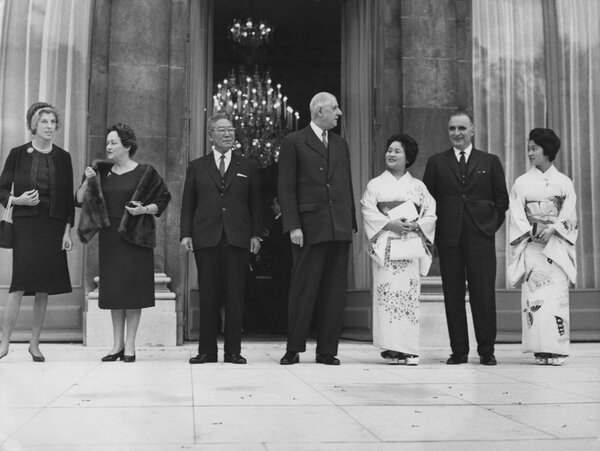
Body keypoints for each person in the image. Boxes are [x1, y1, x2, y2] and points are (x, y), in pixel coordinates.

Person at [76, 123, 170, 363]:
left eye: (113, 142)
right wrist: (88, 180)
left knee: (133, 293)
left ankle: (130, 346)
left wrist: (144, 210)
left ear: (127, 146)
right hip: (111, 238)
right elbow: (78, 200)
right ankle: (116, 345)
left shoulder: (145, 172)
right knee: (115, 293)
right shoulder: (101, 171)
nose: (108, 146)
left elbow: (164, 197)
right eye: (107, 142)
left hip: (136, 238)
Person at [423, 111, 508, 366]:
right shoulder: (437, 162)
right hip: (449, 239)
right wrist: (434, 237)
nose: (456, 133)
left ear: (472, 131)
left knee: (483, 294)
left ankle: (486, 350)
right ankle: (458, 350)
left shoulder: (490, 161)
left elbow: (501, 201)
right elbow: (427, 202)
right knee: (453, 294)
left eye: (461, 128)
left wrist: (488, 227)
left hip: (480, 237)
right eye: (452, 129)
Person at [277, 92, 357, 366]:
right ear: (319, 111)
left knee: (334, 292)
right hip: (308, 228)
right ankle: (294, 348)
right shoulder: (294, 142)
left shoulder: (340, 143)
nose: (339, 113)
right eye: (334, 108)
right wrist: (293, 226)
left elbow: (346, 184)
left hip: (339, 227)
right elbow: (285, 188)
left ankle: (327, 351)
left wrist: (351, 224)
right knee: (304, 289)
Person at [180, 113, 262, 365]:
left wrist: (256, 234)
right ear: (210, 135)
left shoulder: (247, 166)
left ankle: (233, 351)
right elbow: (188, 204)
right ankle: (206, 351)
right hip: (206, 238)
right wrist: (185, 234)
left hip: (237, 238)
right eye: (222, 130)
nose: (228, 134)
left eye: (231, 130)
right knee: (208, 295)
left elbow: (256, 204)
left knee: (235, 297)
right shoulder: (197, 166)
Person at [0, 102, 74, 362]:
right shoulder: (18, 153)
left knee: (44, 286)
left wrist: (67, 232)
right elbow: (1, 189)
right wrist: (17, 200)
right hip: (26, 225)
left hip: (52, 227)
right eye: (45, 122)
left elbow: (67, 201)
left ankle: (34, 344)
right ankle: (4, 342)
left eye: (54, 123)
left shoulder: (64, 158)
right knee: (19, 284)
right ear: (33, 125)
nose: (50, 127)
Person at [361, 134, 436, 365]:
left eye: (397, 151)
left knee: (408, 298)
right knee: (387, 299)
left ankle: (408, 348)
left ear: (408, 158)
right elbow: (368, 211)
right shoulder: (375, 184)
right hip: (387, 247)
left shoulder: (418, 187)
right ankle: (390, 348)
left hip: (410, 246)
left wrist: (416, 225)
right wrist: (390, 223)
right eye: (389, 150)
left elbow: (430, 214)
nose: (390, 154)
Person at [508, 128, 577, 366]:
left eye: (534, 148)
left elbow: (569, 215)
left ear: (547, 151)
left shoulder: (564, 182)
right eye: (529, 148)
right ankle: (538, 349)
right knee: (534, 300)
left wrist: (553, 229)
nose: (530, 152)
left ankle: (556, 349)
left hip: (555, 247)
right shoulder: (522, 182)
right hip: (532, 246)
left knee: (555, 298)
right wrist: (530, 232)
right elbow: (517, 214)